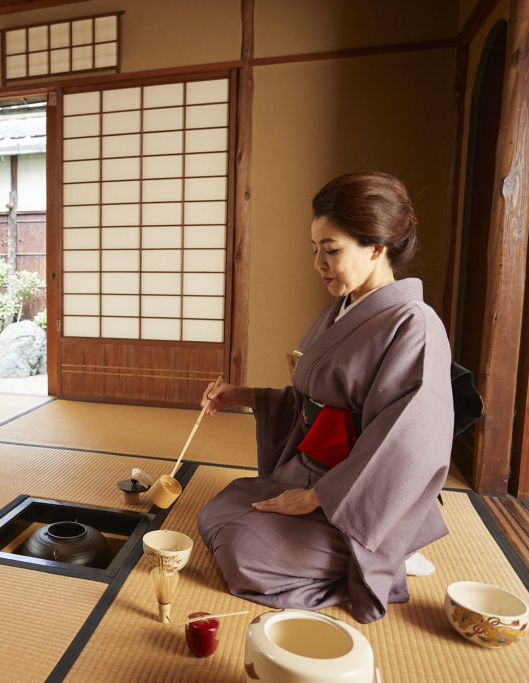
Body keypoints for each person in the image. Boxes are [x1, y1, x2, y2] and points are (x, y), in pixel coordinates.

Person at [196, 171, 454, 624]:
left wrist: (317, 497)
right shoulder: (340, 311)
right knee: (218, 512)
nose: (318, 263)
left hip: (362, 502)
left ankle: (385, 555)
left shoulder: (415, 325)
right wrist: (247, 396)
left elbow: (405, 444)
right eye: (315, 249)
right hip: (311, 472)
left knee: (244, 552)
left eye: (331, 250)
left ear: (376, 247)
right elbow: (311, 405)